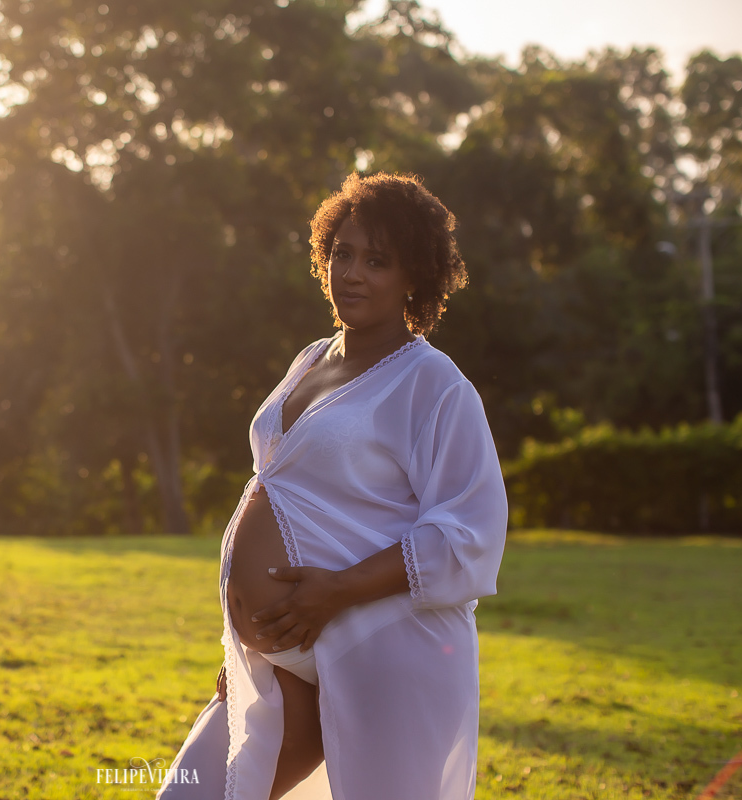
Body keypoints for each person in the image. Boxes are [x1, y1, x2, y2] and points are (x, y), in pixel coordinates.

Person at [155, 172, 508, 800]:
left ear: (414, 278)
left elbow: (468, 535)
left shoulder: (435, 385)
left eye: (377, 261)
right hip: (287, 651)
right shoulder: (313, 358)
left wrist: (336, 591)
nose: (352, 273)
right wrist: (247, 644)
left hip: (379, 647)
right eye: (342, 252)